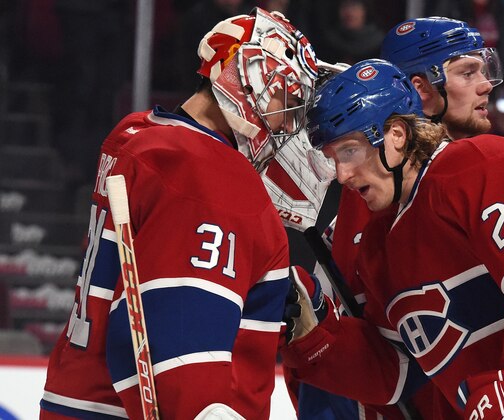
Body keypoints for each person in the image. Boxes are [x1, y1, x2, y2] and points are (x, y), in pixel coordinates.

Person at [288, 57, 504, 419]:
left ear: (397, 136)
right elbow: (401, 374)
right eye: (333, 157)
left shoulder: (479, 165)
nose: (342, 174)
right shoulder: (376, 247)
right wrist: (316, 336)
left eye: (350, 151)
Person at [39, 7, 318, 419]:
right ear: (250, 77)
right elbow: (180, 352)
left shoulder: (140, 132)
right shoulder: (208, 172)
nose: (290, 120)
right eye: (287, 96)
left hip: (78, 396)